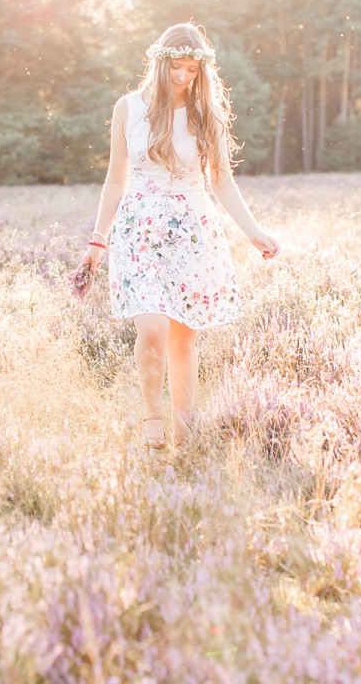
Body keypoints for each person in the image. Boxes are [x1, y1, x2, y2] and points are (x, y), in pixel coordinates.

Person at [80, 22, 280, 449]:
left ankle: (185, 432)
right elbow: (115, 180)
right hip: (139, 230)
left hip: (192, 231)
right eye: (176, 67)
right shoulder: (128, 108)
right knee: (152, 328)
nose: (183, 77)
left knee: (185, 336)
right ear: (159, 62)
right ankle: (152, 418)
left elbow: (222, 181)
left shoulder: (207, 114)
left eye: (192, 69)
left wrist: (254, 232)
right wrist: (98, 239)